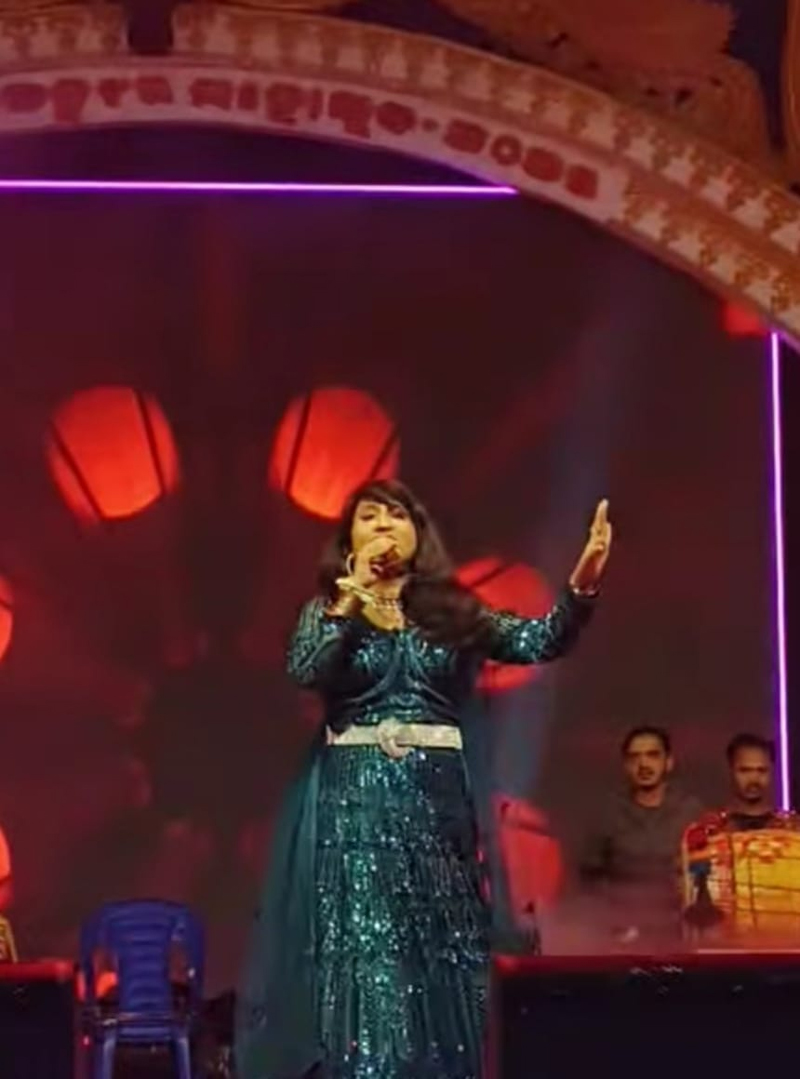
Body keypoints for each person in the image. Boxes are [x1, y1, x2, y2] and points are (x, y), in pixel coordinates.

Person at [236, 478, 611, 1079]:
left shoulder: (453, 612)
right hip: (354, 805)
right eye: (369, 516)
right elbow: (306, 667)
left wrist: (582, 584)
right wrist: (352, 599)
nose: (385, 524)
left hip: (437, 806)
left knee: (442, 948)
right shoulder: (329, 611)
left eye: (398, 515)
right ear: (349, 539)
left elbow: (538, 640)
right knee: (368, 956)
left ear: (419, 534)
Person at [579, 726, 702, 948]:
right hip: (621, 936)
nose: (643, 764)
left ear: (669, 762)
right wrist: (612, 924)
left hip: (680, 934)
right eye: (634, 757)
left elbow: (707, 877)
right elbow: (590, 880)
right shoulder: (608, 813)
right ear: (626, 766)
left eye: (652, 755)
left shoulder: (691, 812)